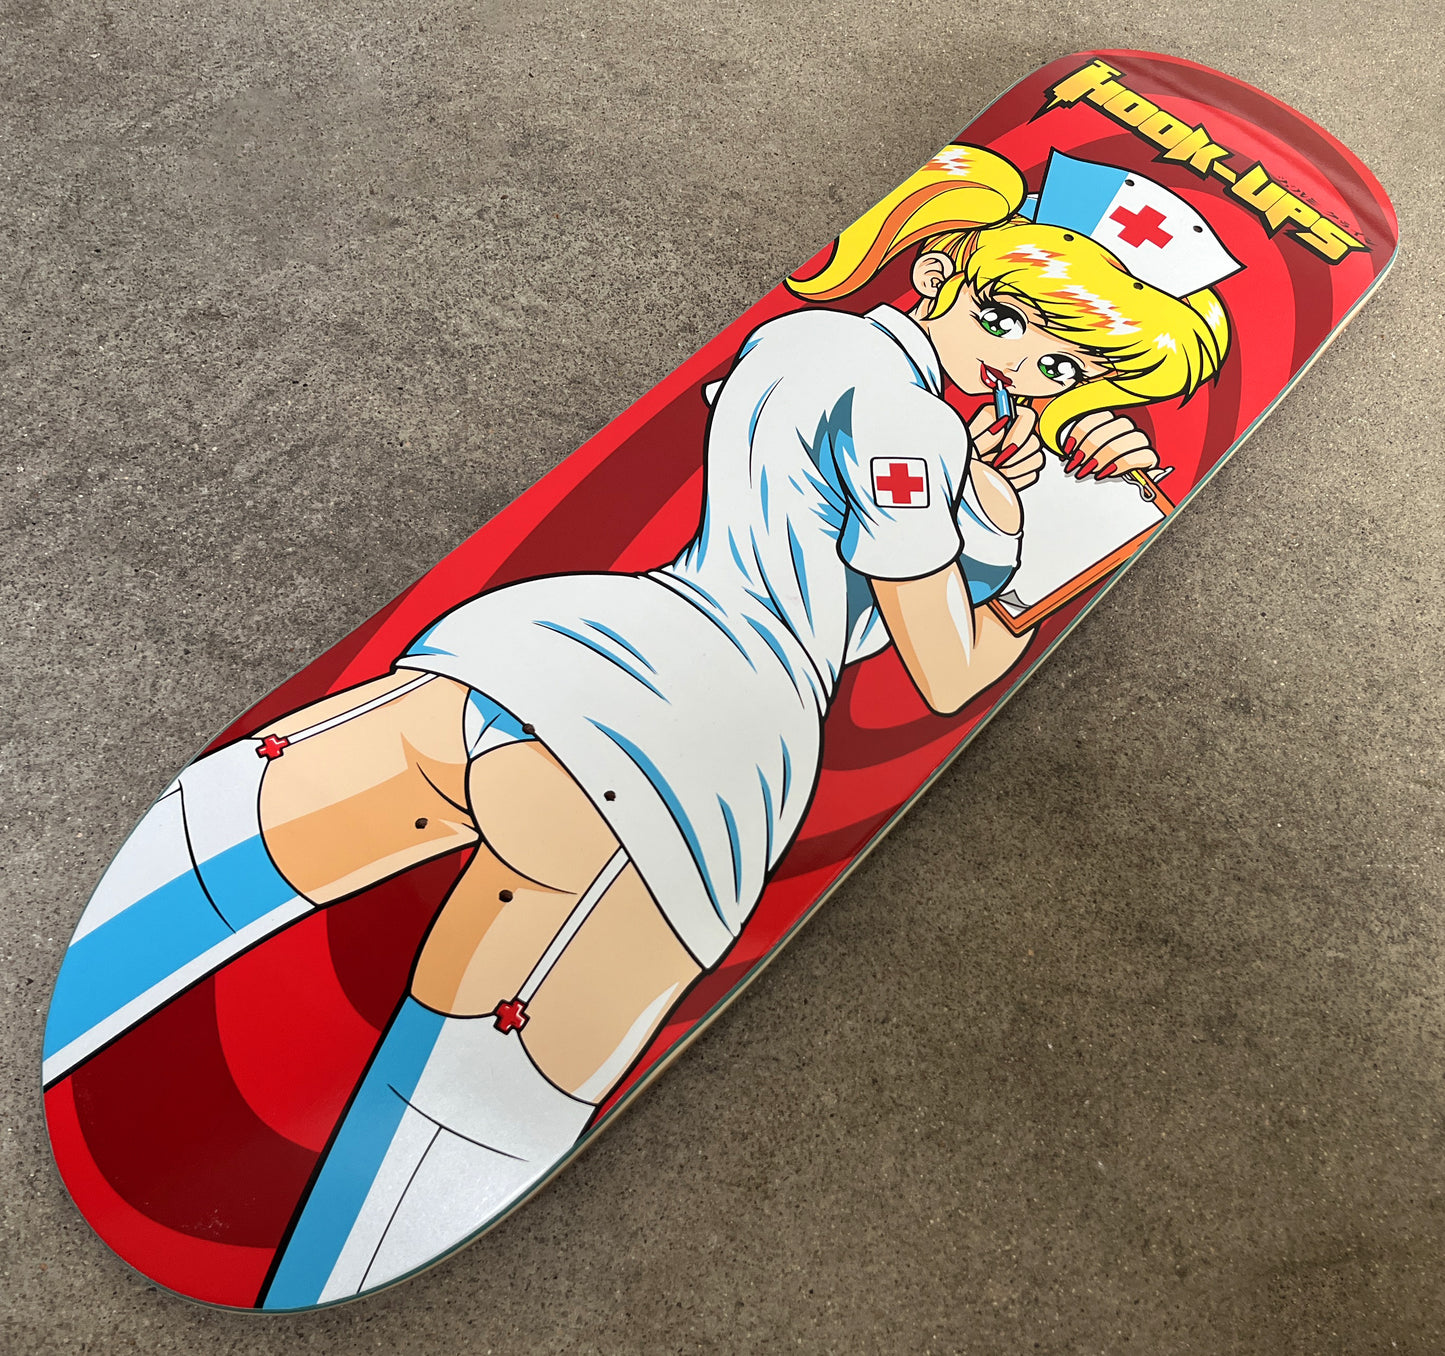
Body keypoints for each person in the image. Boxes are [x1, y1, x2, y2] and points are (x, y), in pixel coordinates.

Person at [43, 144, 1233, 1306]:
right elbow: (944, 670)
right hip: (706, 747)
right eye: (1012, 323)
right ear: (943, 274)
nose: (1025, 368)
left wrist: (987, 496)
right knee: (474, 1088)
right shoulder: (914, 435)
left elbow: (817, 517)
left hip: (550, 642)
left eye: (1062, 363)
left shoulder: (807, 341)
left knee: (231, 852)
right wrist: (1028, 578)